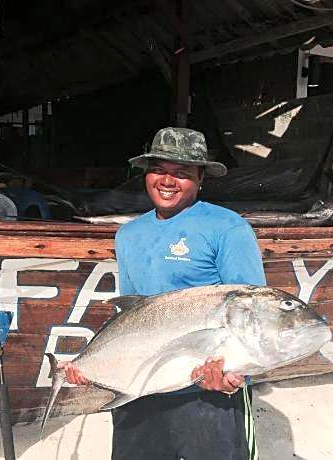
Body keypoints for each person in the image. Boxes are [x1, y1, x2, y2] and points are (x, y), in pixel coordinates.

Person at [61, 128, 265, 460]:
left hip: (205, 394)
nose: (168, 181)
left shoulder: (227, 227)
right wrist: (95, 367)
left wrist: (233, 376)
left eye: (182, 173)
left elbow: (252, 314)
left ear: (201, 178)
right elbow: (131, 316)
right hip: (142, 387)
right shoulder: (129, 234)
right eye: (159, 170)